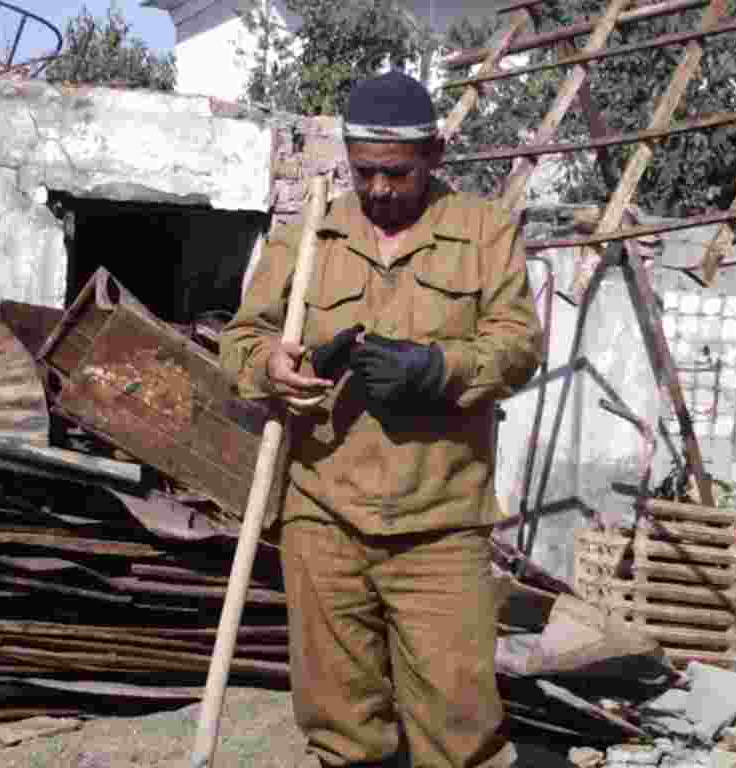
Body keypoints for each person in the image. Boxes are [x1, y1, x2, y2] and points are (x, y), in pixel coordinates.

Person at [220, 70, 543, 768]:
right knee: (342, 728)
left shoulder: (484, 232)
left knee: (459, 729)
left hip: (440, 522)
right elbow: (241, 339)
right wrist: (272, 366)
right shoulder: (311, 234)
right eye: (364, 172)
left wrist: (438, 368)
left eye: (397, 173)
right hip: (323, 518)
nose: (379, 190)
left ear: (434, 156)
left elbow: (519, 347)